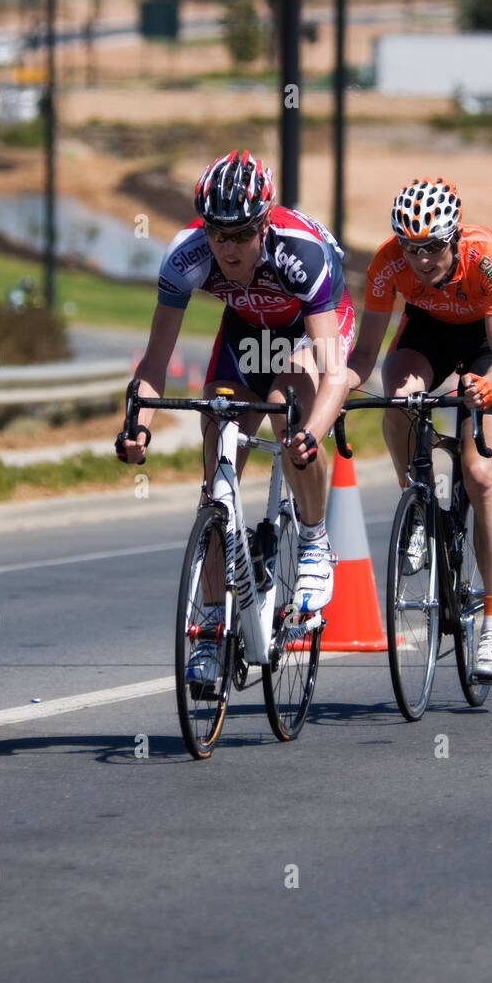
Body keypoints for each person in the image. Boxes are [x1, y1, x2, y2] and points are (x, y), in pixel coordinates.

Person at [116, 149, 354, 687]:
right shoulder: (186, 255)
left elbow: (334, 376)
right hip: (247, 330)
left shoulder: (299, 254)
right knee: (219, 452)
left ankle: (315, 540)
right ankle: (208, 630)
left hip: (311, 328)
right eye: (217, 233)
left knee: (292, 408)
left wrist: (311, 434)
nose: (226, 248)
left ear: (263, 224)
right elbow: (154, 363)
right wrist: (139, 426)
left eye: (240, 234)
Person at [346, 176, 492, 681]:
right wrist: (336, 392)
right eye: (410, 247)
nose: (421, 260)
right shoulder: (386, 263)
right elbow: (364, 355)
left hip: (485, 349)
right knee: (397, 402)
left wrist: (485, 387)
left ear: (455, 236)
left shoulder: (486, 255)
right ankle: (417, 506)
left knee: (480, 474)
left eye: (432, 247)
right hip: (427, 336)